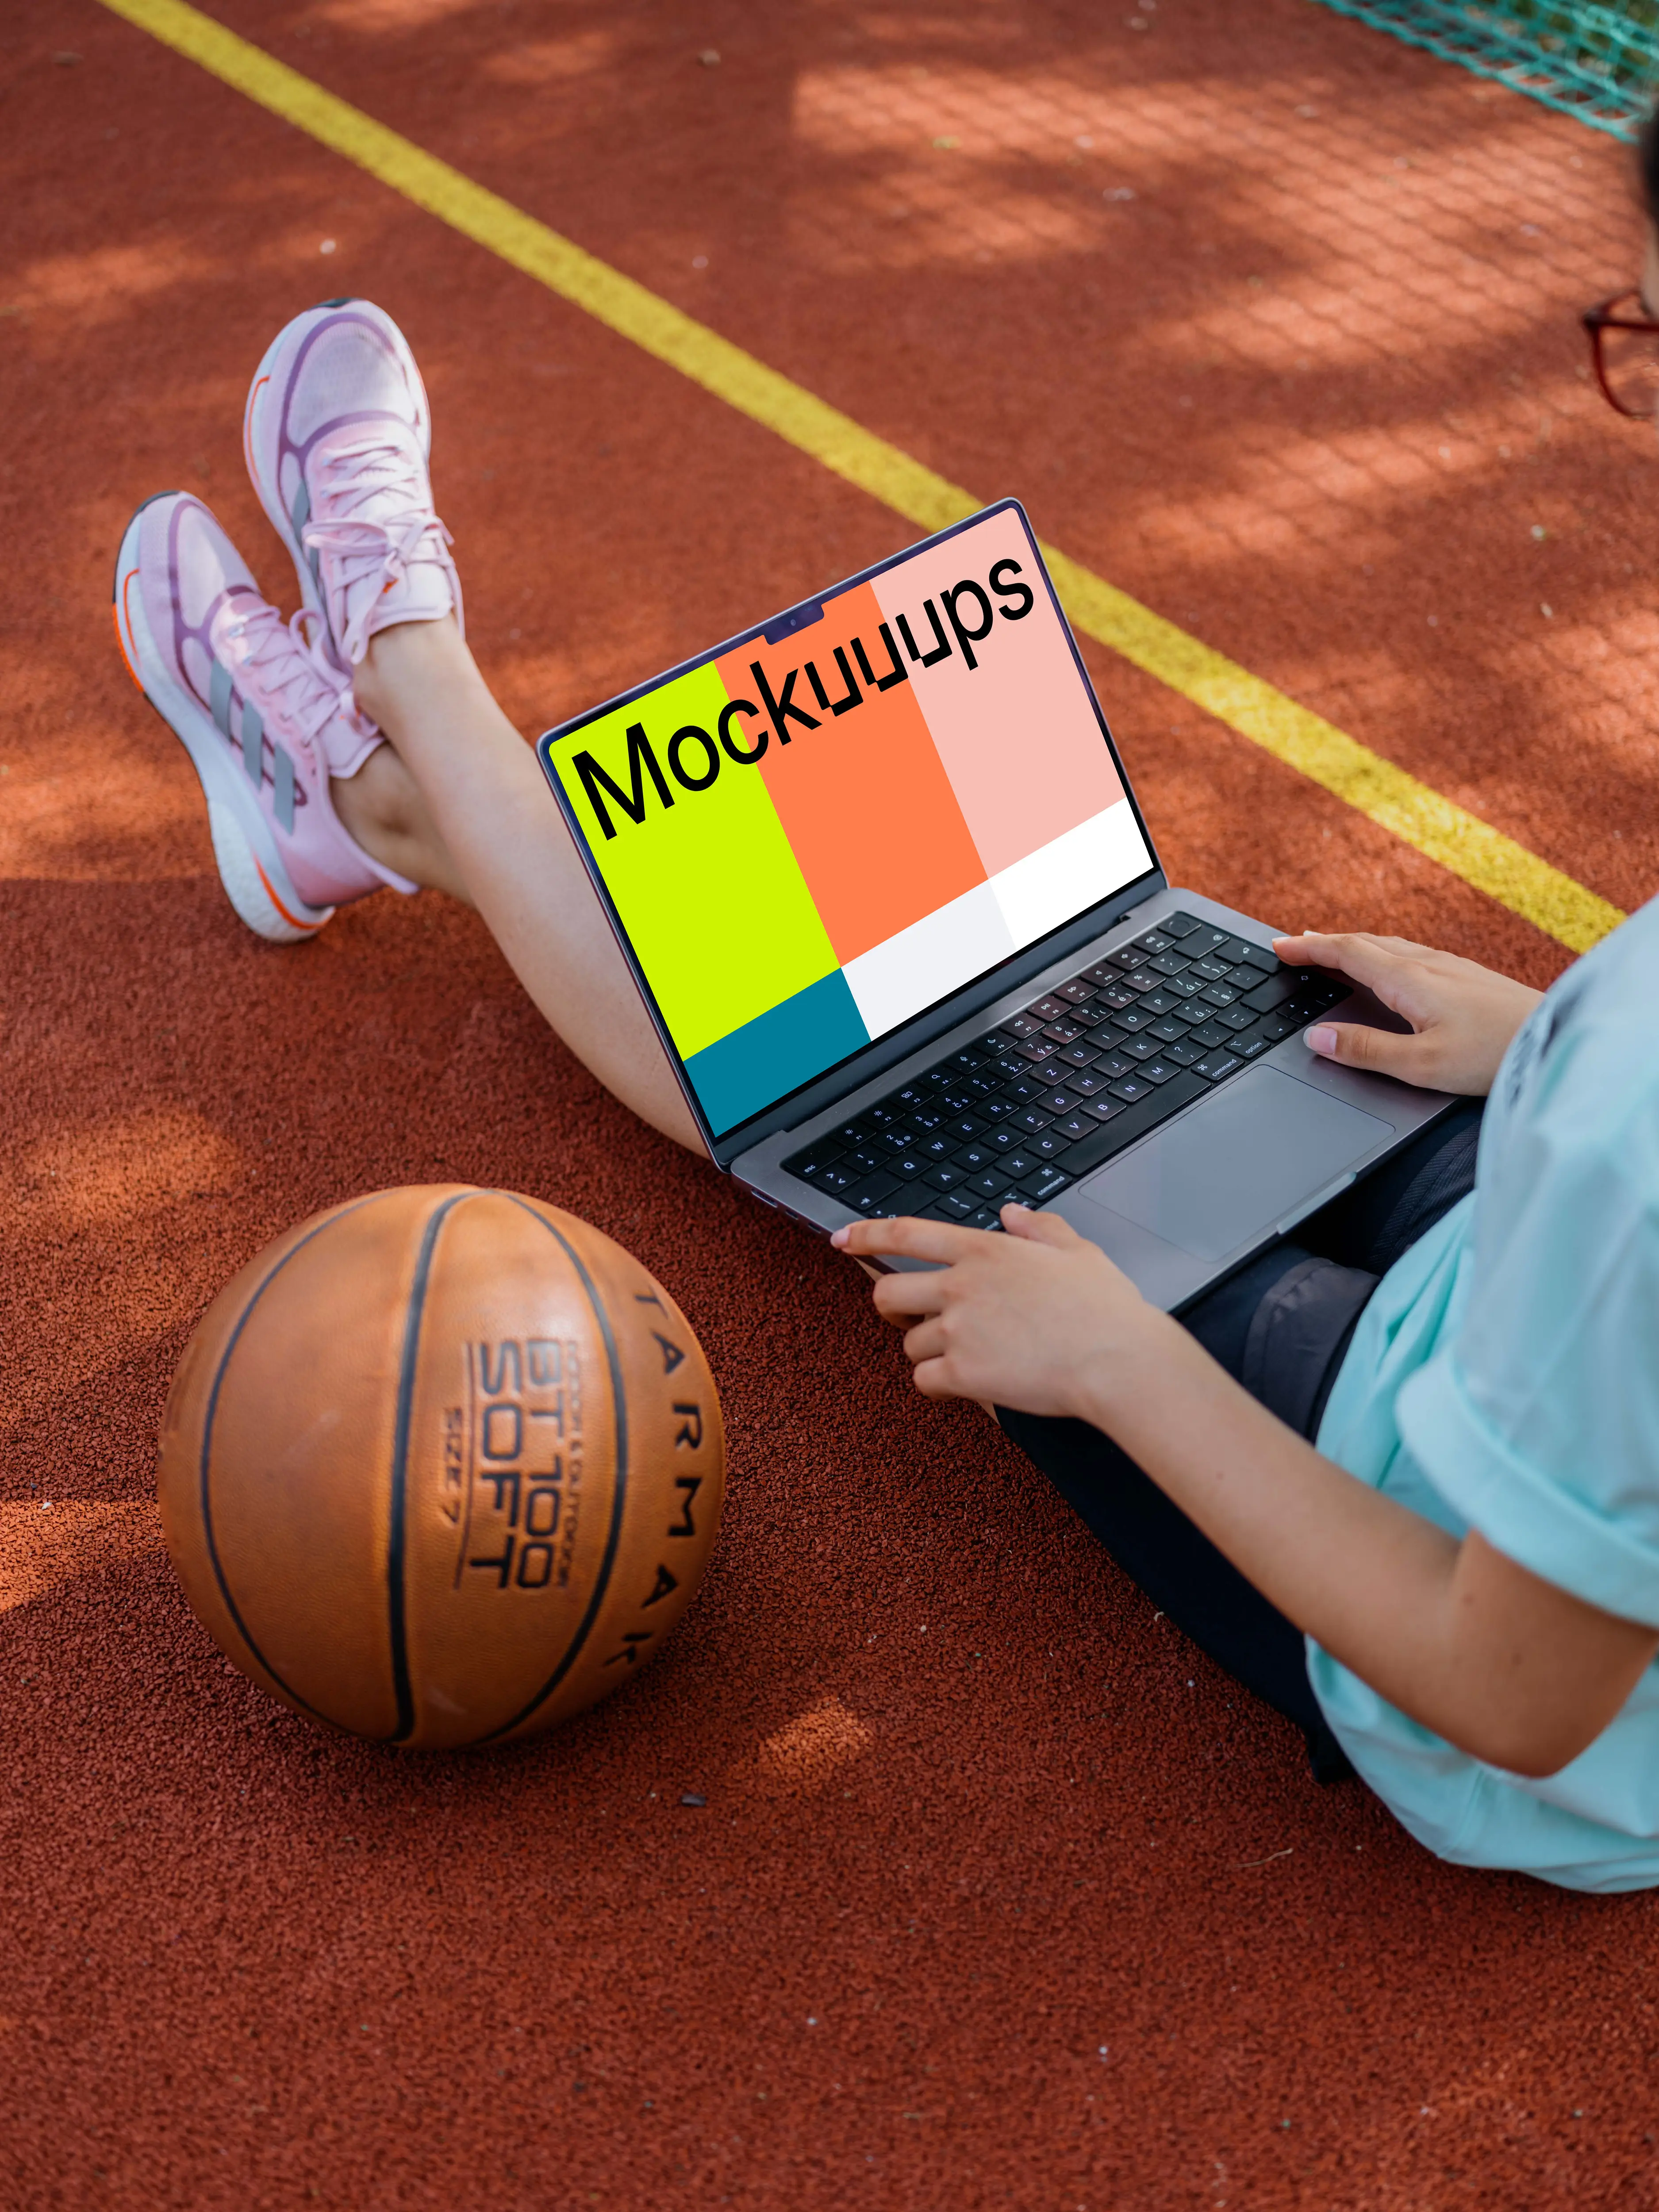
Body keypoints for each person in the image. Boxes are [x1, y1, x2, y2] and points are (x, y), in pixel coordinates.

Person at [117, 169, 1658, 1889]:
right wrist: (1552, 1038)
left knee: (871, 1077)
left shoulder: (1626, 1155)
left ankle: (403, 695)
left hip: (1486, 1651)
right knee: (1106, 990)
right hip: (1565, 1269)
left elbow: (1514, 1687)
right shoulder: (1618, 1126)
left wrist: (1117, 1360)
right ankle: (392, 804)